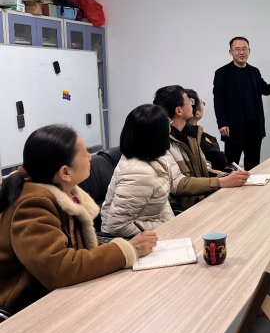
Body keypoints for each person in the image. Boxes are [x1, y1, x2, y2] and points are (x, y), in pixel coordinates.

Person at [0, 124, 157, 313]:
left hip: (61, 294)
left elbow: (83, 249)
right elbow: (59, 269)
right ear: (65, 172)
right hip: (29, 306)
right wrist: (127, 250)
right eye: (84, 153)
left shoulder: (64, 195)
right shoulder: (32, 205)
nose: (90, 157)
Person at [153, 85, 249, 210]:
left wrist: (227, 177)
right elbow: (177, 184)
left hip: (202, 201)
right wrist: (220, 182)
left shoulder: (190, 135)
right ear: (179, 111)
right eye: (188, 101)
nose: (192, 105)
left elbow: (205, 168)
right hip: (185, 209)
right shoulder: (163, 142)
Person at [213, 36, 270, 171]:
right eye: (237, 49)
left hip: (254, 129)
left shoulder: (254, 71)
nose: (241, 52)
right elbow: (218, 100)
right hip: (233, 128)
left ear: (249, 51)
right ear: (231, 52)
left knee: (253, 166)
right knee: (231, 167)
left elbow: (265, 89)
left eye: (244, 49)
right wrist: (222, 123)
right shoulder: (222, 73)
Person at [101, 105, 174, 237]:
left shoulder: (154, 158)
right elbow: (117, 226)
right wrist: (164, 226)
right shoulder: (139, 174)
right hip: (127, 240)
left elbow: (161, 202)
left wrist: (173, 224)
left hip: (150, 230)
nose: (170, 129)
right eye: (168, 125)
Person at [185, 88, 228, 171]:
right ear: (197, 113)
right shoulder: (190, 137)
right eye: (202, 104)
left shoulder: (196, 131)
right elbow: (220, 159)